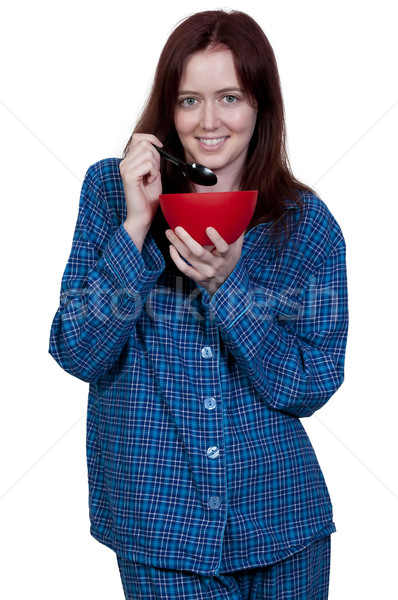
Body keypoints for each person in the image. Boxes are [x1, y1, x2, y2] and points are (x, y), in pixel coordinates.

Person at [49, 9, 348, 600]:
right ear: (169, 110)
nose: (209, 121)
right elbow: (76, 350)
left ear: (260, 105)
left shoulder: (306, 225)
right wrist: (137, 226)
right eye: (189, 100)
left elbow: (312, 383)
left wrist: (229, 290)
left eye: (230, 97)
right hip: (161, 529)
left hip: (283, 525)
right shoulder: (111, 193)